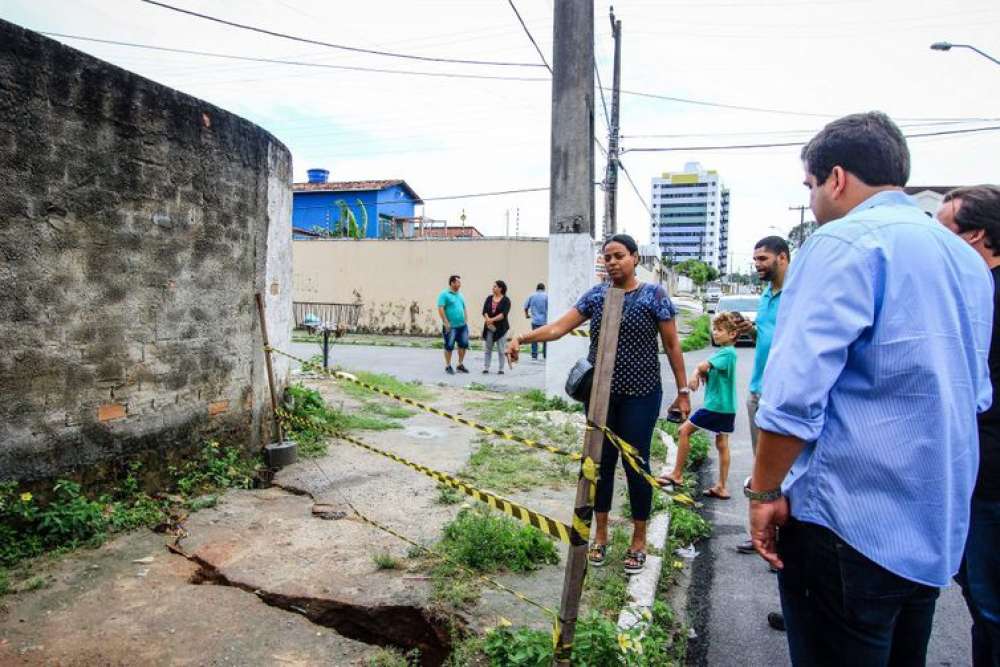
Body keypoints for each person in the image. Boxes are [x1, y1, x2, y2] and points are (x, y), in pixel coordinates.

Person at [748, 111, 994, 666]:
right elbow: (974, 392)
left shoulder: (841, 244)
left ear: (836, 178)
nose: (812, 201)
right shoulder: (966, 261)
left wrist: (763, 492)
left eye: (810, 187)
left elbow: (792, 399)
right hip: (932, 523)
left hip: (847, 523)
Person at [506, 234, 691, 574]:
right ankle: (601, 535)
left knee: (637, 465)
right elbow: (559, 328)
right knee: (600, 466)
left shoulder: (654, 296)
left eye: (619, 255)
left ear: (635, 258)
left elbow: (672, 346)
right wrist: (521, 337)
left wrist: (683, 391)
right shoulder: (596, 296)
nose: (611, 262)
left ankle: (639, 539)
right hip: (599, 395)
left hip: (641, 394)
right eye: (606, 257)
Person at [937, 184, 1000, 667]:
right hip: (978, 473)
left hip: (990, 481)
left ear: (976, 235)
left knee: (989, 602)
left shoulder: (984, 299)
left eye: (945, 230)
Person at [736, 236, 790, 557]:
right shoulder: (767, 295)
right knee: (760, 469)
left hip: (782, 395)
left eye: (763, 259)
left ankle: (784, 542)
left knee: (784, 471)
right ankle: (761, 534)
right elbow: (767, 336)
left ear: (782, 258)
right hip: (757, 391)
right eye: (755, 260)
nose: (757, 265)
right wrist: (750, 329)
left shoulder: (797, 295)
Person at [659, 311, 743, 500]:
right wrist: (702, 373)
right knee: (722, 443)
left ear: (732, 335)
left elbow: (703, 365)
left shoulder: (727, 353)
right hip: (727, 407)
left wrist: (696, 374)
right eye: (714, 329)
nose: (715, 333)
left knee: (684, 431)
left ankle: (677, 475)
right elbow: (710, 368)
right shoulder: (725, 353)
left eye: (720, 330)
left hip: (715, 406)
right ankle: (721, 486)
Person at [436, 275, 470, 375]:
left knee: (463, 345)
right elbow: (440, 308)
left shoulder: (460, 295)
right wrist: (446, 322)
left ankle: (460, 364)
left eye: (460, 282)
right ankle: (448, 366)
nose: (459, 284)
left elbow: (464, 308)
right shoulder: (444, 294)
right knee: (449, 345)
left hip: (462, 326)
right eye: (457, 282)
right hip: (451, 326)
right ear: (452, 283)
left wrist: (466, 319)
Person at [482, 280, 512, 375]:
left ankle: (501, 369)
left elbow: (503, 314)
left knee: (501, 349)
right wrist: (488, 319)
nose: (493, 288)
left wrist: (492, 319)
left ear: (500, 288)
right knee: (488, 348)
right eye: (493, 286)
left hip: (501, 329)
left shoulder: (506, 300)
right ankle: (486, 367)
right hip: (489, 327)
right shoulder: (489, 298)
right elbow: (484, 310)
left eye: (495, 286)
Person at [523, 283, 549, 360]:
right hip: (544, 321)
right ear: (544, 288)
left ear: (537, 288)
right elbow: (549, 308)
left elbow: (525, 307)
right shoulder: (546, 296)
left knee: (534, 337)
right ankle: (545, 354)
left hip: (535, 321)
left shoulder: (531, 296)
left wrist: (527, 315)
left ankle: (534, 355)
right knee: (545, 338)